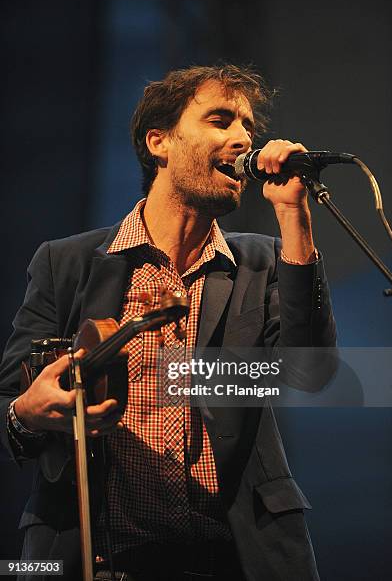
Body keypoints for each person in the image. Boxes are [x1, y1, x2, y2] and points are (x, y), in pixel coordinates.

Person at [0, 64, 337, 581]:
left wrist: (294, 215)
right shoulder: (66, 262)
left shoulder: (267, 260)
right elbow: (9, 402)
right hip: (91, 552)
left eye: (247, 126)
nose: (243, 138)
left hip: (238, 556)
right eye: (221, 120)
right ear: (159, 142)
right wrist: (28, 412)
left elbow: (310, 374)